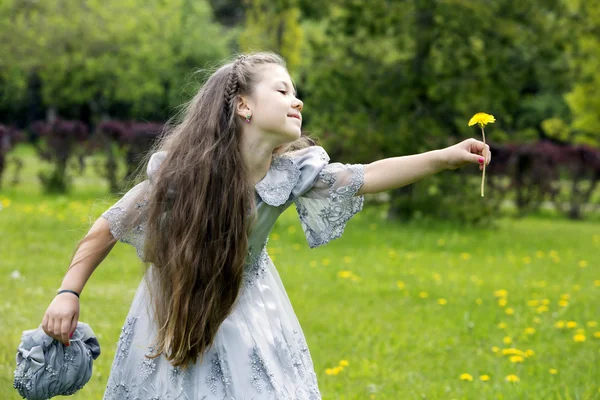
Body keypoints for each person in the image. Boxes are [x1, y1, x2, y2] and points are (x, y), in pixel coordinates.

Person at [40, 52, 491, 399]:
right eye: (282, 91)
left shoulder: (290, 172)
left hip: (251, 307)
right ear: (243, 106)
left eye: (295, 92)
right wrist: (67, 292)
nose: (297, 100)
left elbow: (366, 175)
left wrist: (447, 156)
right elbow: (109, 226)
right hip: (177, 307)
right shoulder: (183, 174)